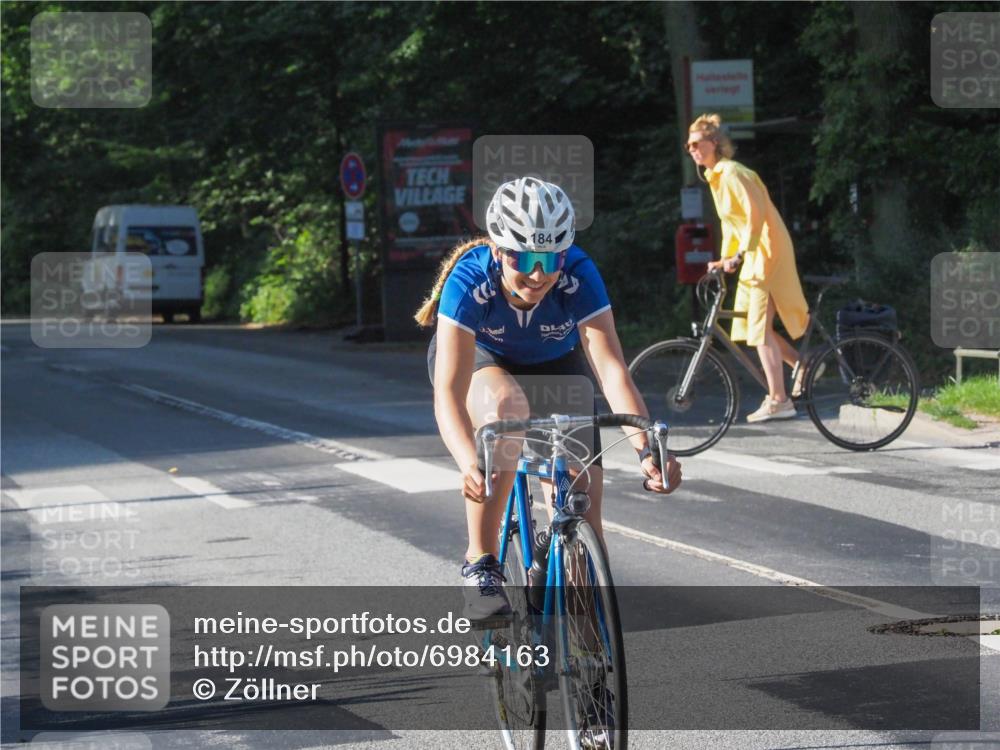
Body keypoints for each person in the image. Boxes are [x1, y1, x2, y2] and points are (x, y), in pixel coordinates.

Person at [415, 176, 682, 623]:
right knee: (508, 410)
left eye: (550, 258)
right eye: (524, 258)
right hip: (485, 360)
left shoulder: (578, 274)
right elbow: (448, 391)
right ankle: (481, 564)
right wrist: (468, 461)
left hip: (555, 363)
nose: (539, 274)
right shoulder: (470, 280)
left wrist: (646, 451)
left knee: (582, 499)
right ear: (499, 251)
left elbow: (610, 368)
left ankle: (589, 646)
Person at [687, 113, 811, 421]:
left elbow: (756, 216)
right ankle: (801, 364)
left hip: (767, 250)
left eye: (696, 143)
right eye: (688, 145)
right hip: (756, 252)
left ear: (713, 143)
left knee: (757, 328)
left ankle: (780, 399)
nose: (691, 149)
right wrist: (725, 256)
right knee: (752, 325)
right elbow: (733, 225)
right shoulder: (716, 178)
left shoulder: (732, 173)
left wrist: (740, 254)